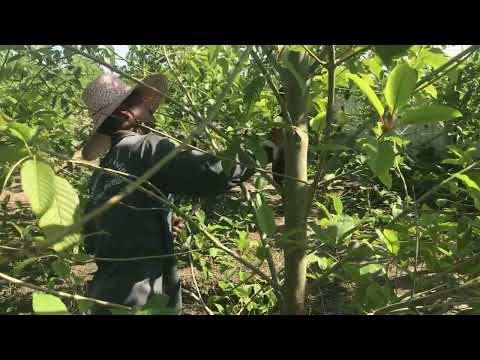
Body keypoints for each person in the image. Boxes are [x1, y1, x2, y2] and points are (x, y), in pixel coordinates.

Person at [80, 73, 258, 314]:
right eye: (144, 104)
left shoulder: (101, 174)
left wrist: (157, 222)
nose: (153, 109)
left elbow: (93, 238)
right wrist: (260, 152)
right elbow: (210, 174)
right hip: (145, 300)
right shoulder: (146, 147)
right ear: (126, 115)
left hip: (103, 299)